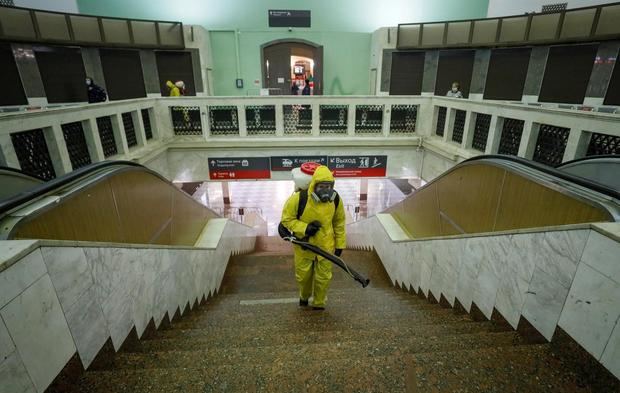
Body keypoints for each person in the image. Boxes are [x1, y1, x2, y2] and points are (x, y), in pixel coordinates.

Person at [281, 165, 346, 310]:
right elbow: (286, 220)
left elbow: (339, 222)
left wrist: (340, 244)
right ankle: (304, 297)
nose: (325, 191)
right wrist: (305, 228)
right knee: (303, 278)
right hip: (304, 248)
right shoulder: (299, 199)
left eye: (328, 187)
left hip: (326, 248)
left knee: (323, 278)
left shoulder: (335, 200)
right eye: (321, 186)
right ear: (314, 186)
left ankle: (319, 303)